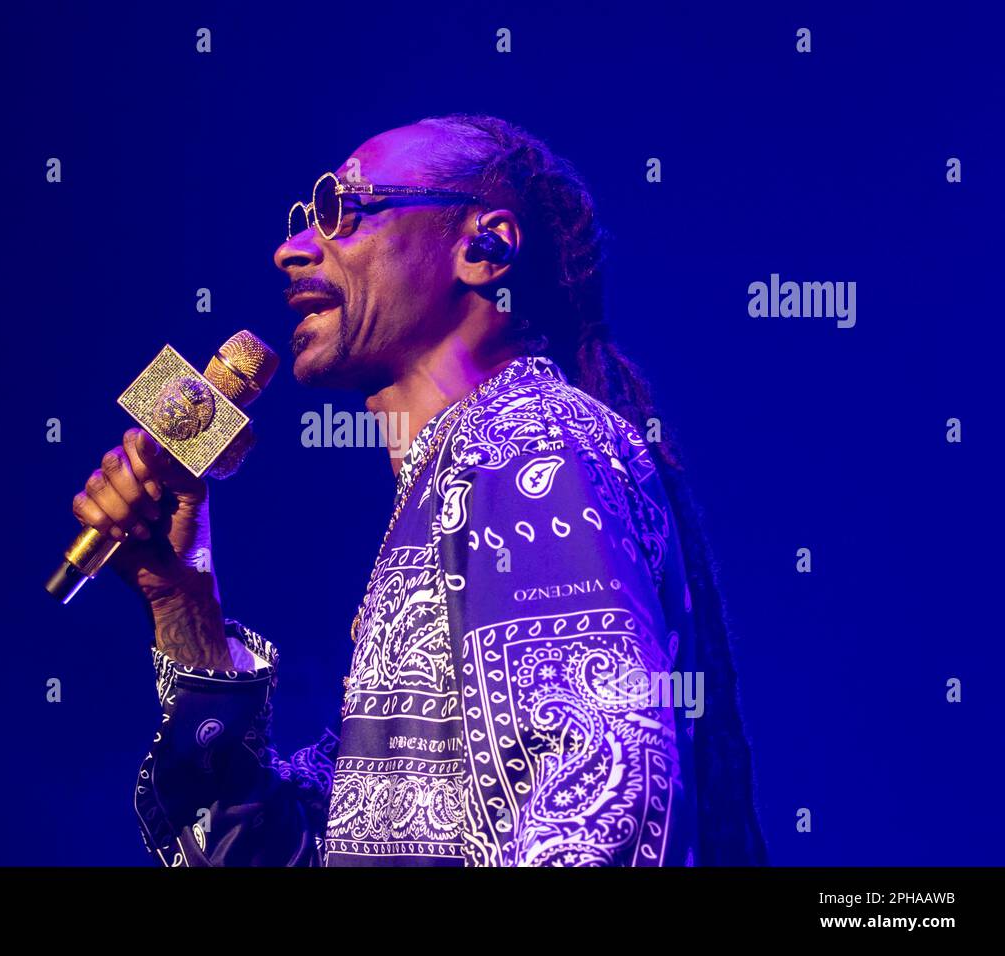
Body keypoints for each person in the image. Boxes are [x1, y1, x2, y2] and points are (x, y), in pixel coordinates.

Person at [71, 113, 768, 866]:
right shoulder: (450, 491)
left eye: (343, 210)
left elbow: (597, 802)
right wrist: (181, 597)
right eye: (303, 221)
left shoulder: (530, 445)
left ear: (483, 248)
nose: (292, 249)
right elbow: (273, 853)